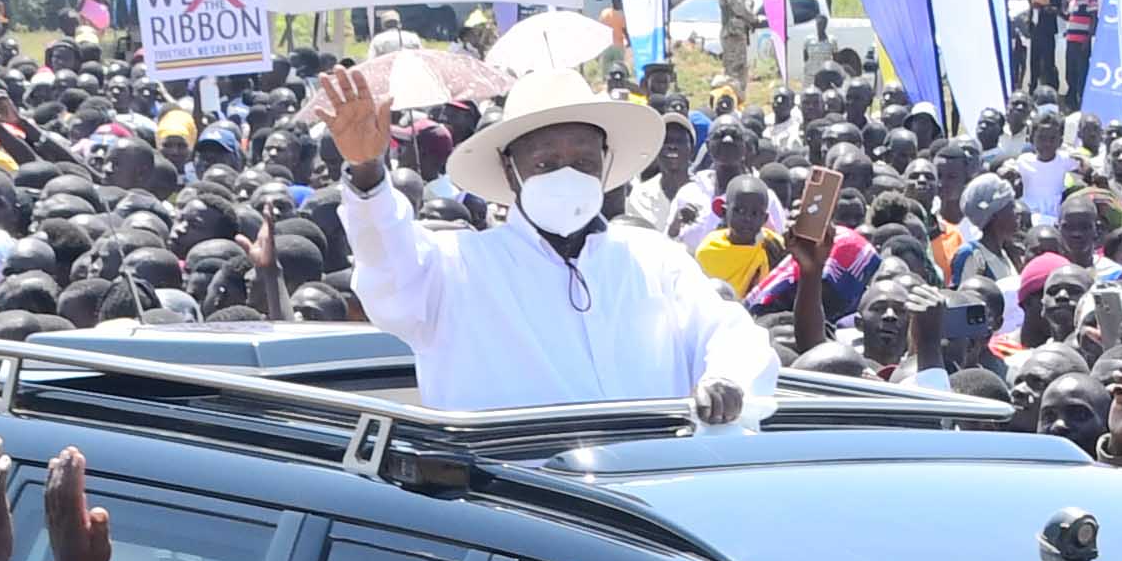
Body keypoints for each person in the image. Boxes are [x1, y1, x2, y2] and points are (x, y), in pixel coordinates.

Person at [310, 62, 778, 420]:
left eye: (583, 162)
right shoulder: (456, 268)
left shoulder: (654, 260)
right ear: (510, 169)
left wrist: (727, 381)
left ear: (605, 163)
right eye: (546, 164)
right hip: (521, 511)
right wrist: (368, 172)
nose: (567, 176)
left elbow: (732, 335)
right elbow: (387, 268)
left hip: (651, 498)